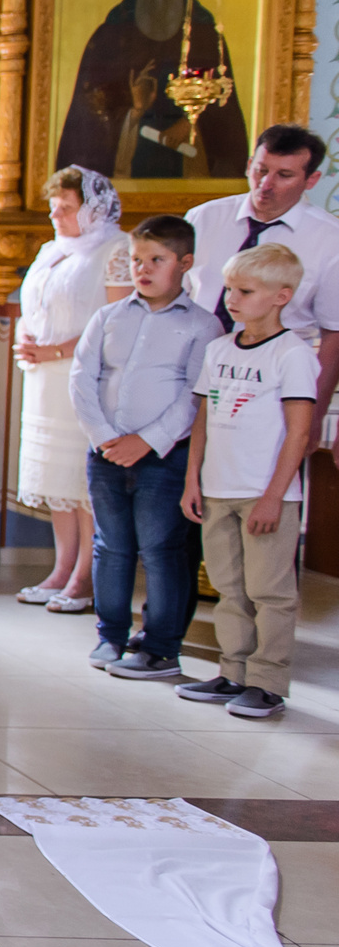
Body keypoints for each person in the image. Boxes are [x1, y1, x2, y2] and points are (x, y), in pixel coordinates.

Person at [69, 214, 212, 682]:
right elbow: (82, 378)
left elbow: (195, 396)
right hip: (106, 451)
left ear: (185, 263)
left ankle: (160, 648)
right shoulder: (109, 317)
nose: (143, 269)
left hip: (163, 457)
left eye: (157, 260)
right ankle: (111, 633)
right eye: (136, 260)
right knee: (111, 546)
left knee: (161, 549)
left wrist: (145, 441)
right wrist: (102, 436)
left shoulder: (201, 326)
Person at [176, 240, 315, 720]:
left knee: (270, 591)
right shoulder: (218, 349)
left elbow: (298, 432)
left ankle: (268, 681)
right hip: (219, 487)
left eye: (246, 290)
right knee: (230, 587)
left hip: (265, 494)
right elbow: (203, 419)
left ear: (281, 296)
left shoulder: (292, 354)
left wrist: (274, 497)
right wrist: (193, 480)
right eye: (230, 289)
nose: (232, 299)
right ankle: (232, 671)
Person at [12, 167, 131, 612]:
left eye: (66, 208)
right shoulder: (50, 251)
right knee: (56, 479)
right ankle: (62, 568)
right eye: (53, 208)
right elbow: (35, 306)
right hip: (44, 377)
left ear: (94, 209)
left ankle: (85, 577)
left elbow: (116, 323)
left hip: (85, 376)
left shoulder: (117, 249)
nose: (55, 216)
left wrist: (58, 350)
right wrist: (27, 339)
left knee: (83, 482)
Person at [52, 0, 248, 180]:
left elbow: (224, 109)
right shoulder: (111, 36)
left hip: (190, 159)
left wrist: (191, 123)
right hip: (126, 161)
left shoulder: (205, 35)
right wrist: (133, 111)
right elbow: (89, 115)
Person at [185, 124, 339, 424]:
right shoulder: (204, 218)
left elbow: (334, 334)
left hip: (270, 389)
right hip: (190, 375)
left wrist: (311, 417)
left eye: (284, 175)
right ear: (248, 166)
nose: (266, 184)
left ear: (311, 180)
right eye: (260, 170)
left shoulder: (330, 239)